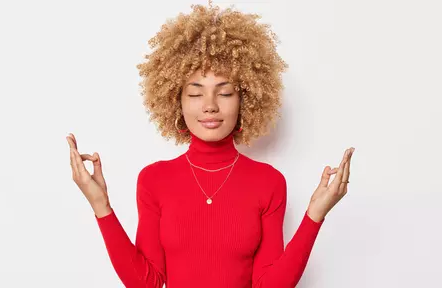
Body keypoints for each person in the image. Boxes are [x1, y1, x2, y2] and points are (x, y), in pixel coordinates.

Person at [66, 2, 355, 287]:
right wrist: (100, 204)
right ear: (175, 101)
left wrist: (314, 215)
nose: (210, 106)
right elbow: (147, 283)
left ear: (246, 100)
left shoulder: (269, 183)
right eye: (195, 94)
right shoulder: (154, 180)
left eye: (225, 93)